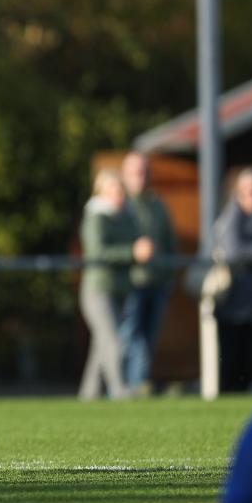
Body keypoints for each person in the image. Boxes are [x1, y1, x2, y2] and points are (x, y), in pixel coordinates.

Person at [78, 169, 152, 400]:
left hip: (120, 290)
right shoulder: (96, 216)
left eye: (120, 189)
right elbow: (97, 252)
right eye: (112, 190)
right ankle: (119, 390)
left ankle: (88, 395)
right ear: (101, 192)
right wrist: (132, 252)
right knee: (112, 341)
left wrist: (144, 248)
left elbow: (137, 240)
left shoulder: (127, 215)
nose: (118, 194)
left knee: (101, 347)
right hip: (98, 290)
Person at [119, 152, 177, 395]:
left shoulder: (157, 204)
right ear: (125, 175)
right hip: (129, 284)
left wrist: (169, 276)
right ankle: (131, 389)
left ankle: (137, 387)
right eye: (135, 173)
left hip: (158, 282)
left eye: (144, 172)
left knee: (149, 340)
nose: (141, 178)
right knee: (132, 339)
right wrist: (132, 252)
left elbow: (170, 242)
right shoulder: (120, 204)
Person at [213, 168, 252, 392]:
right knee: (232, 366)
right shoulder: (232, 217)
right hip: (233, 307)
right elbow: (233, 251)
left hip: (249, 307)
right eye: (250, 192)